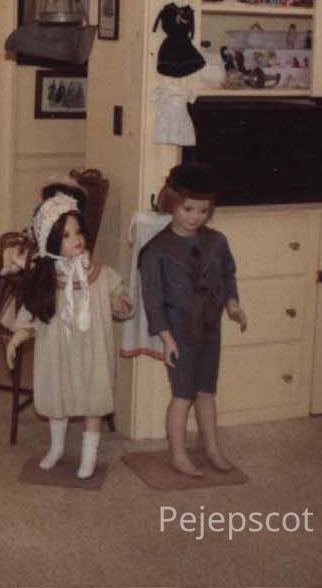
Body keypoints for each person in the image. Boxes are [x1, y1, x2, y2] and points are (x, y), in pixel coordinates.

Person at [5, 193, 132, 479]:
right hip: (57, 351)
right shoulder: (48, 281)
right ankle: (57, 447)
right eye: (65, 235)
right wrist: (17, 337)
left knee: (93, 399)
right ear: (51, 242)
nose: (76, 239)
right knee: (57, 396)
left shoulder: (101, 275)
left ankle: (89, 454)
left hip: (92, 351)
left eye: (78, 232)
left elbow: (118, 295)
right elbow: (33, 313)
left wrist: (120, 304)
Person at [138, 163, 247, 477]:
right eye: (187, 209)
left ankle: (211, 448)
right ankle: (178, 453)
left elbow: (227, 275)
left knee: (207, 392)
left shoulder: (217, 241)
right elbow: (153, 300)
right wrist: (166, 339)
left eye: (203, 211)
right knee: (183, 394)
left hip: (210, 327)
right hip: (179, 332)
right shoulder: (156, 251)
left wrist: (233, 303)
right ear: (172, 203)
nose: (195, 217)